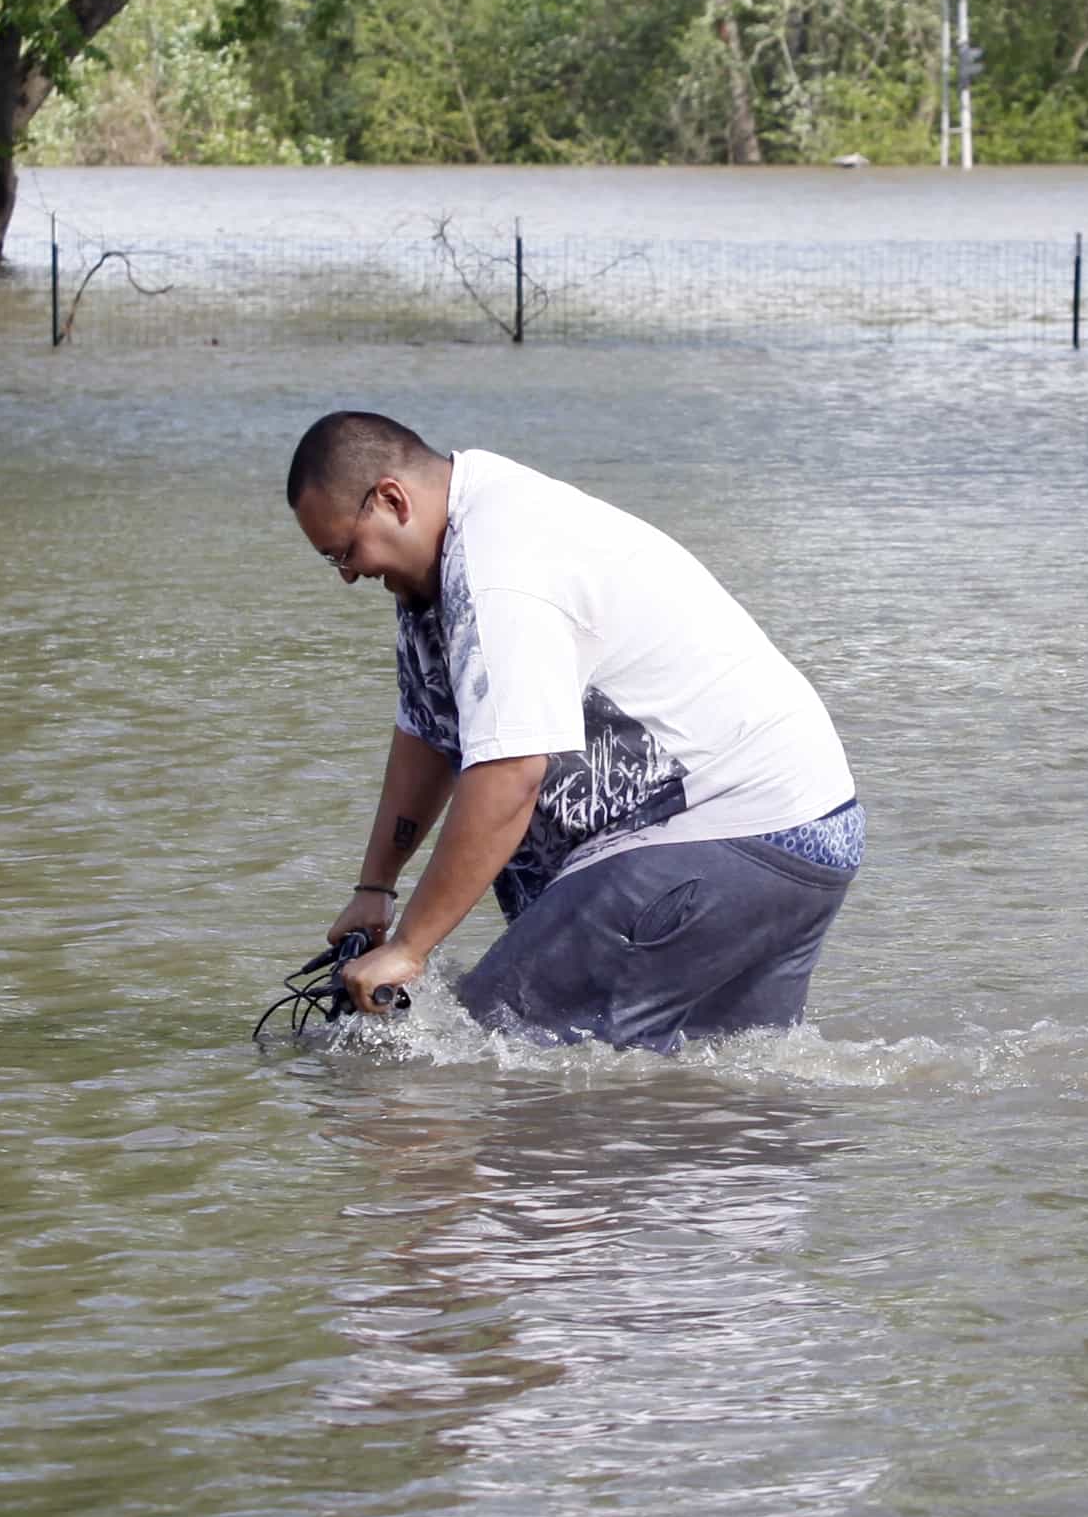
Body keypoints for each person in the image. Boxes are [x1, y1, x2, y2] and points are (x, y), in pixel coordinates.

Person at [285, 410, 863, 1046]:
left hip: (726, 829)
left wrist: (410, 948)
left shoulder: (497, 566)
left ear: (393, 500)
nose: (348, 574)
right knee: (715, 1089)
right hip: (800, 831)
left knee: (485, 1050)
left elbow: (510, 775)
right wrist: (376, 887)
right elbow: (426, 730)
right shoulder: (440, 558)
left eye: (345, 551)